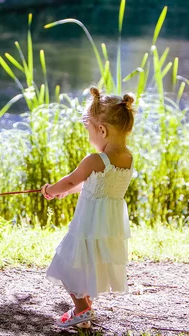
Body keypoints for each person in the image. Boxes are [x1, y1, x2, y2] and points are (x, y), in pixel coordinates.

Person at [40, 87, 136, 328]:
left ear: (101, 130)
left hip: (86, 225)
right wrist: (66, 191)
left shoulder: (95, 160)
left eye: (89, 130)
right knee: (90, 262)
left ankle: (81, 308)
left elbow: (73, 180)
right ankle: (85, 309)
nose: (89, 137)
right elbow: (96, 187)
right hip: (106, 228)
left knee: (65, 261)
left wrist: (52, 189)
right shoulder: (127, 158)